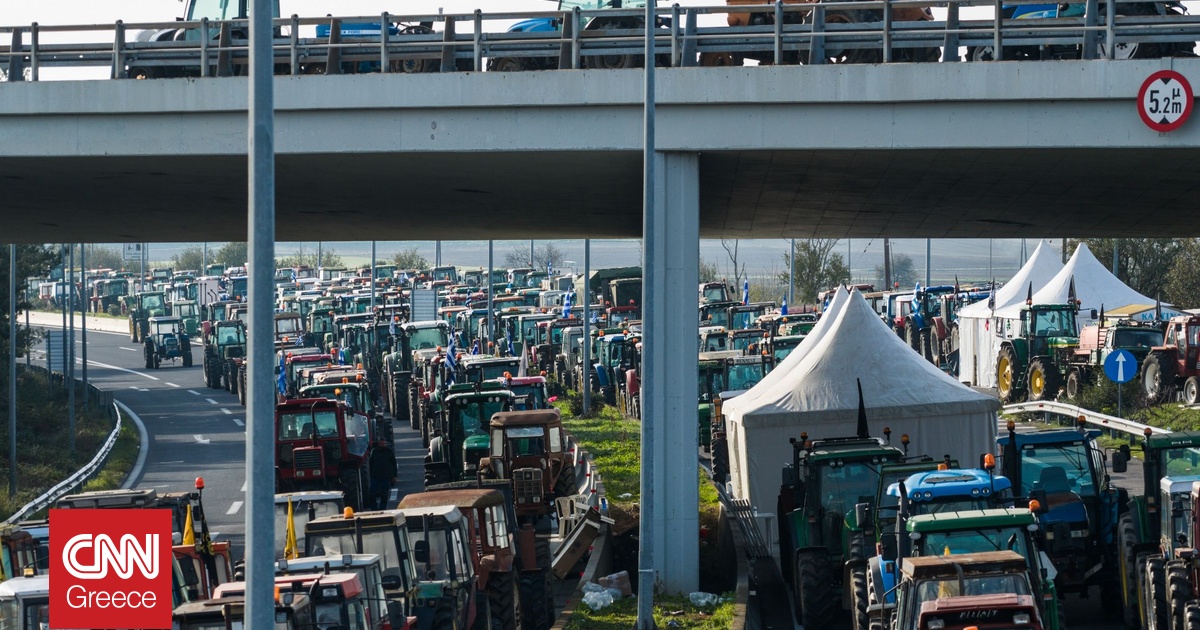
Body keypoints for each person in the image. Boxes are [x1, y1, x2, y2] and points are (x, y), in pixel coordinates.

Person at [368, 439, 397, 510]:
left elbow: (394, 464)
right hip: (375, 476)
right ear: (379, 444)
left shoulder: (389, 451)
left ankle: (382, 508)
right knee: (372, 493)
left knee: (384, 494)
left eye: (384, 444)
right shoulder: (374, 452)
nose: (383, 445)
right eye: (382, 444)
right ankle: (373, 508)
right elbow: (371, 464)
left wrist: (394, 476)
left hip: (386, 476)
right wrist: (370, 475)